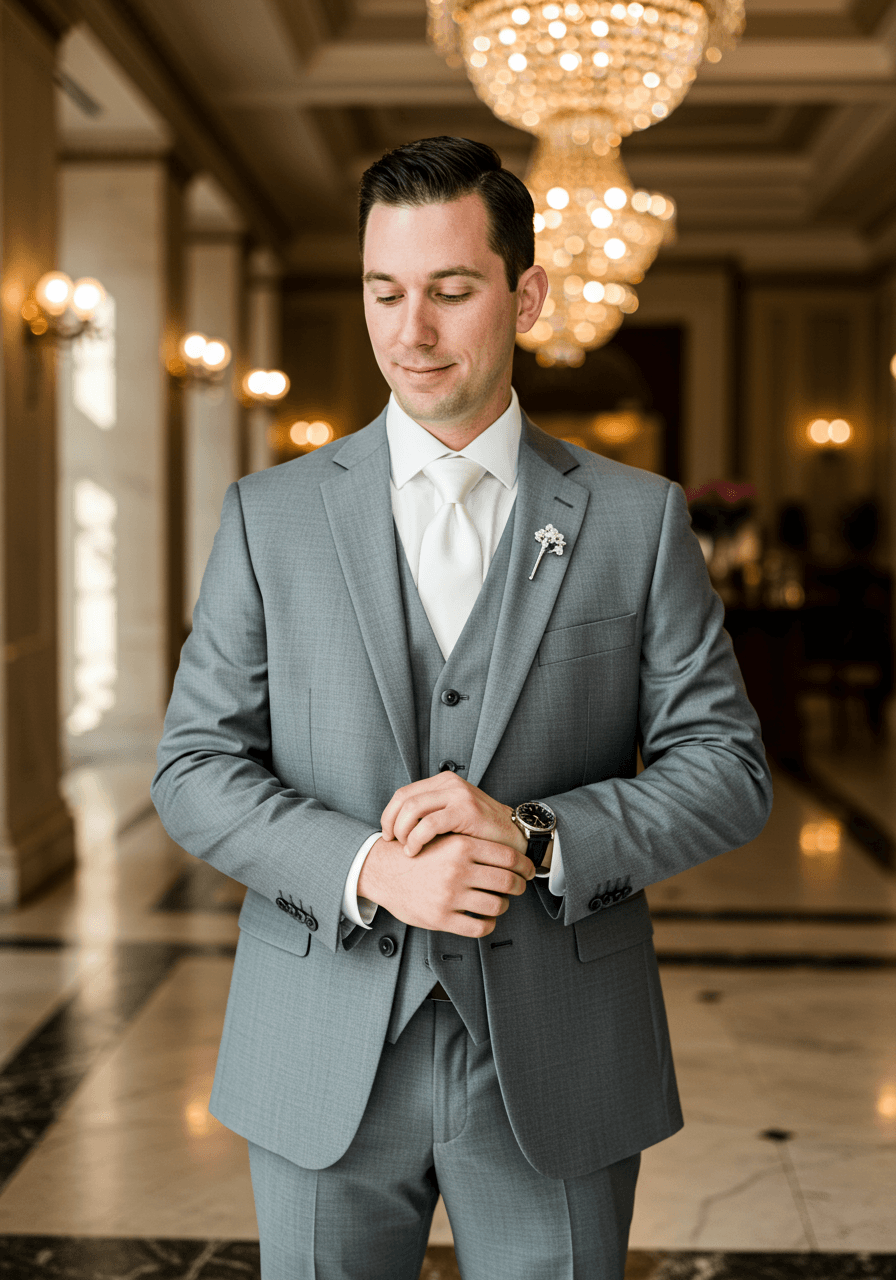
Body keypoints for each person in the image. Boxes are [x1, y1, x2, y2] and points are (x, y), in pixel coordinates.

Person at [152, 136, 772, 1280]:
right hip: (319, 1039)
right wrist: (363, 867)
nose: (410, 331)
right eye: (384, 291)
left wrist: (537, 839)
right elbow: (192, 765)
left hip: (558, 1051)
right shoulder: (267, 515)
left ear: (524, 293)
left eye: (449, 290)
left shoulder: (635, 521)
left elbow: (726, 768)